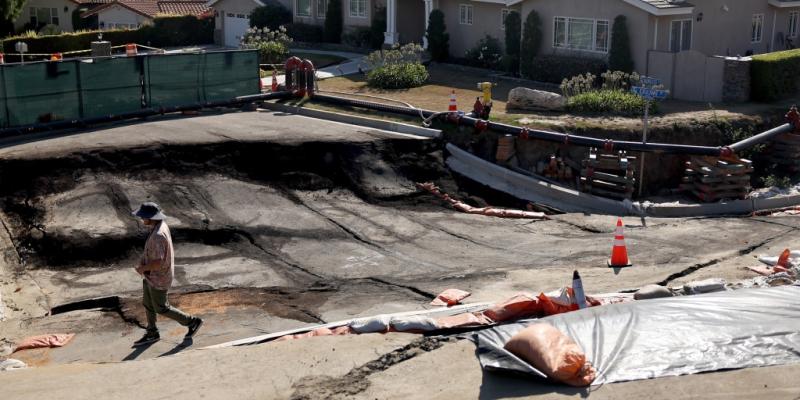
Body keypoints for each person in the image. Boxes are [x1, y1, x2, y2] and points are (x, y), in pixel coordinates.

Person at [132, 202, 203, 346]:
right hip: (151, 276)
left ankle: (192, 321)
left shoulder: (158, 235)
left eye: (143, 216)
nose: (141, 219)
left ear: (151, 218)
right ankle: (152, 332)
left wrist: (142, 268)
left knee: (161, 307)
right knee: (148, 303)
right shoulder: (159, 226)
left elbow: (158, 261)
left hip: (158, 277)